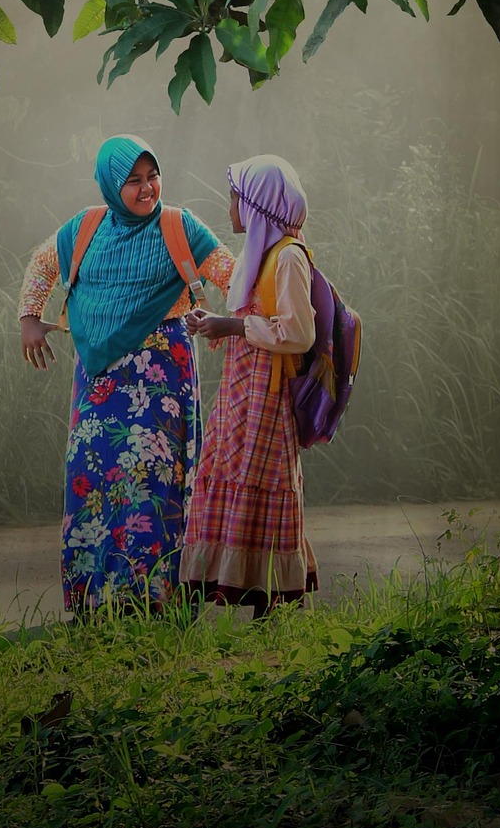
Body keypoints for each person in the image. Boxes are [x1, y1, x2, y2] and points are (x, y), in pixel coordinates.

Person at [18, 135, 234, 616]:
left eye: (152, 176)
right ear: (111, 187)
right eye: (133, 181)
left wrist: (243, 317)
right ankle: (93, 605)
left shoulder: (180, 227)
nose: (146, 188)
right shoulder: (85, 228)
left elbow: (230, 274)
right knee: (91, 482)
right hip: (97, 383)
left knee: (154, 483)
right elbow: (43, 261)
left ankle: (156, 604)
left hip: (161, 381)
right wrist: (30, 317)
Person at [180, 155, 318, 620]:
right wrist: (218, 325)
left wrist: (233, 327)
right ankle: (208, 590)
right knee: (223, 472)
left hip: (269, 396)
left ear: (258, 205)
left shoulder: (289, 258)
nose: (230, 207)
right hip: (242, 391)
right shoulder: (259, 256)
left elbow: (299, 333)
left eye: (237, 198)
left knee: (263, 481)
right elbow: (249, 319)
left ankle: (270, 600)